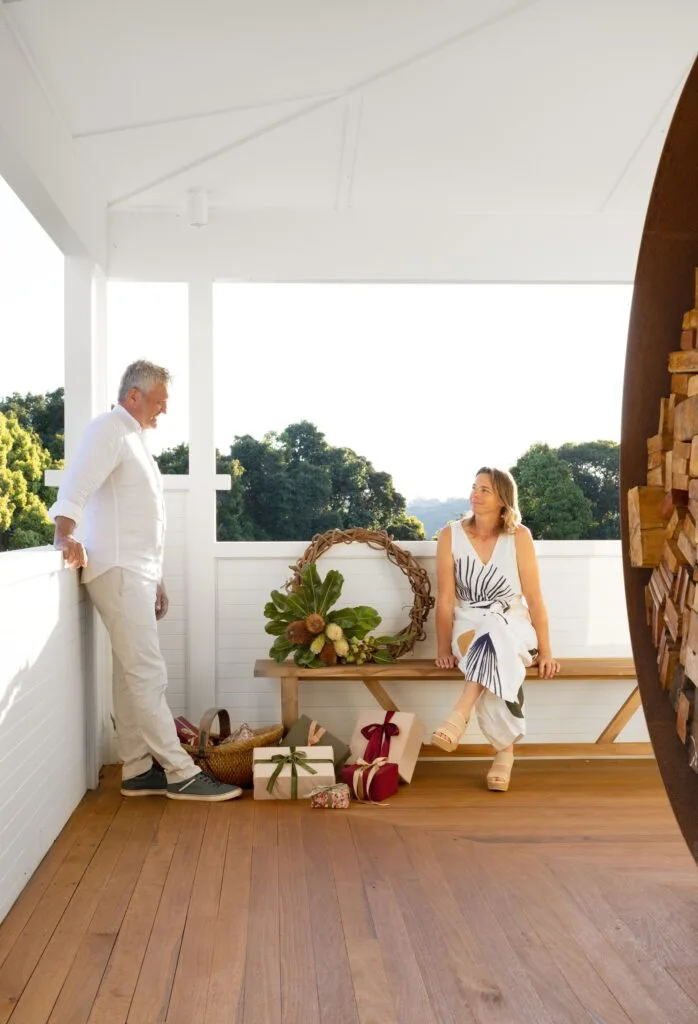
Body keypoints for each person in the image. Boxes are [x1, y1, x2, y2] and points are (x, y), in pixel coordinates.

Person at [49, 359, 241, 801]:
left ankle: (136, 770)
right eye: (159, 401)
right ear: (133, 395)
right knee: (148, 672)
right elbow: (76, 485)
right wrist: (64, 535)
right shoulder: (109, 430)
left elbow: (139, 521)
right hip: (116, 570)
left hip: (133, 572)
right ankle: (180, 773)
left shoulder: (134, 441)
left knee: (128, 674)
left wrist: (156, 579)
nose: (164, 411)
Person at [431, 467, 560, 791]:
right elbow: (446, 599)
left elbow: (534, 598)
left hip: (514, 623)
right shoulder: (451, 534)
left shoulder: (519, 537)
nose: (475, 494)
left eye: (484, 490)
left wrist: (546, 651)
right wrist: (443, 648)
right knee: (495, 640)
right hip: (468, 624)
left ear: (503, 498)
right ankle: (505, 752)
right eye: (474, 487)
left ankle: (460, 713)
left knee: (498, 628)